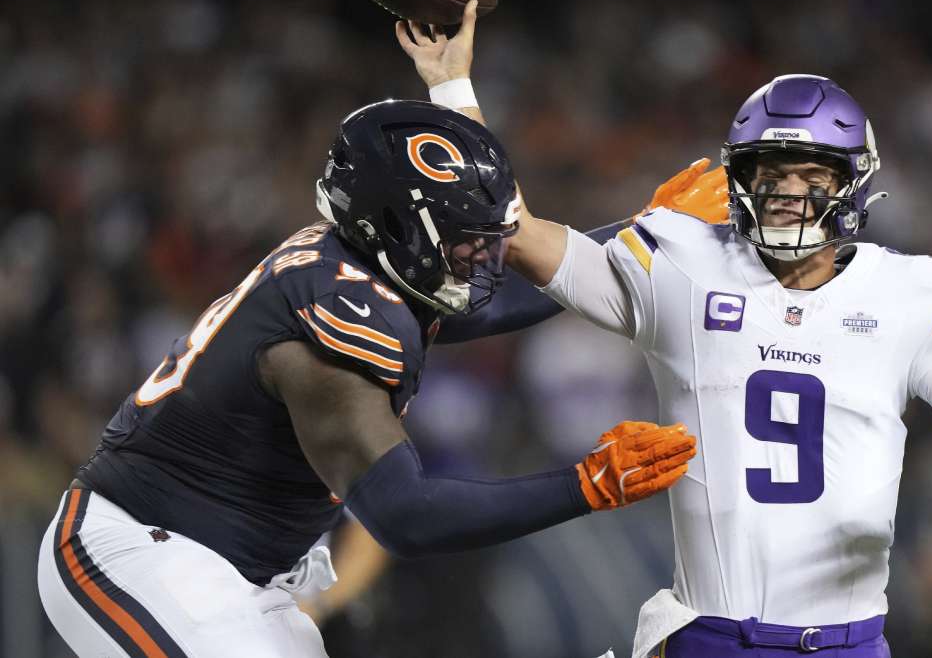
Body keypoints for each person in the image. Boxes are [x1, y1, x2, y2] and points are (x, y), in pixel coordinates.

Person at [399, 1, 932, 658]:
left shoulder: (903, 297)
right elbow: (513, 230)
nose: (787, 193)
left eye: (811, 175)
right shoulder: (685, 267)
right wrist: (451, 85)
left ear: (853, 183)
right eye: (770, 175)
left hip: (848, 645)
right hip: (712, 638)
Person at [36, 99, 696, 657]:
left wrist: (652, 238)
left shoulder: (364, 264)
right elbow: (404, 515)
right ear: (397, 226)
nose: (485, 255)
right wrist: (588, 484)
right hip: (142, 553)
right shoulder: (335, 324)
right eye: (465, 237)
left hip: (237, 571)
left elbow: (502, 301)